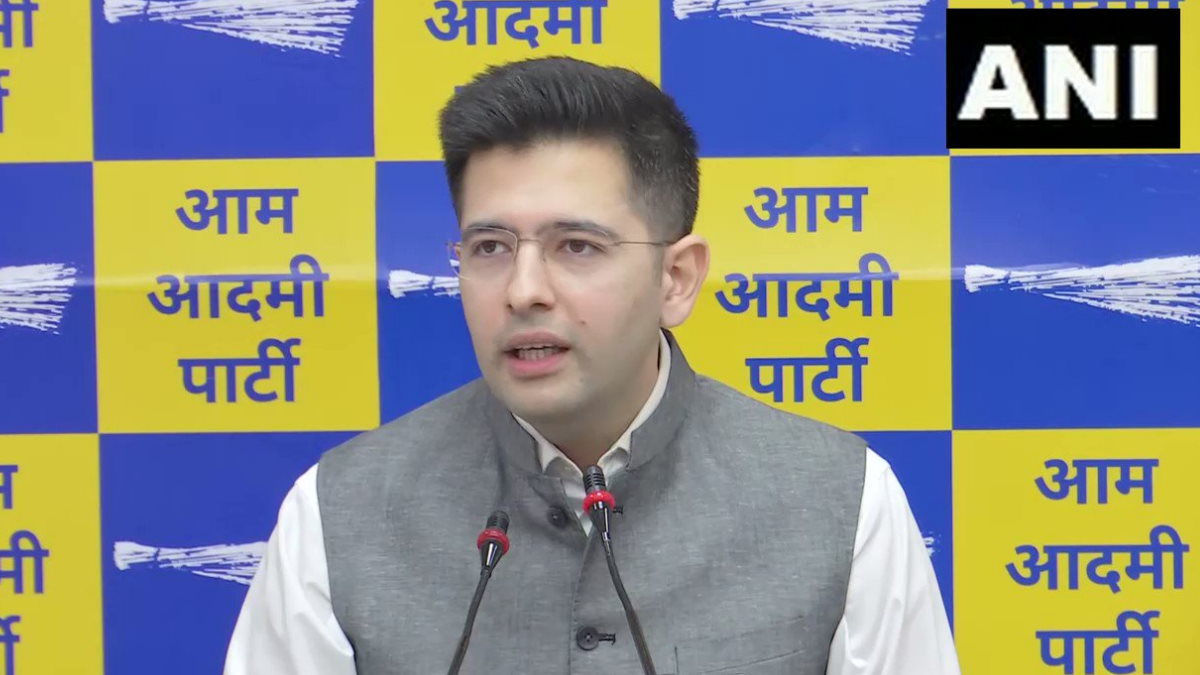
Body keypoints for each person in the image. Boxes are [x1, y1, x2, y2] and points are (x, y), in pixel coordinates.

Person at [224, 56, 961, 675]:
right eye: (489, 247)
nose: (523, 290)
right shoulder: (337, 513)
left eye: (576, 246)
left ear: (676, 279)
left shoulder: (843, 502)